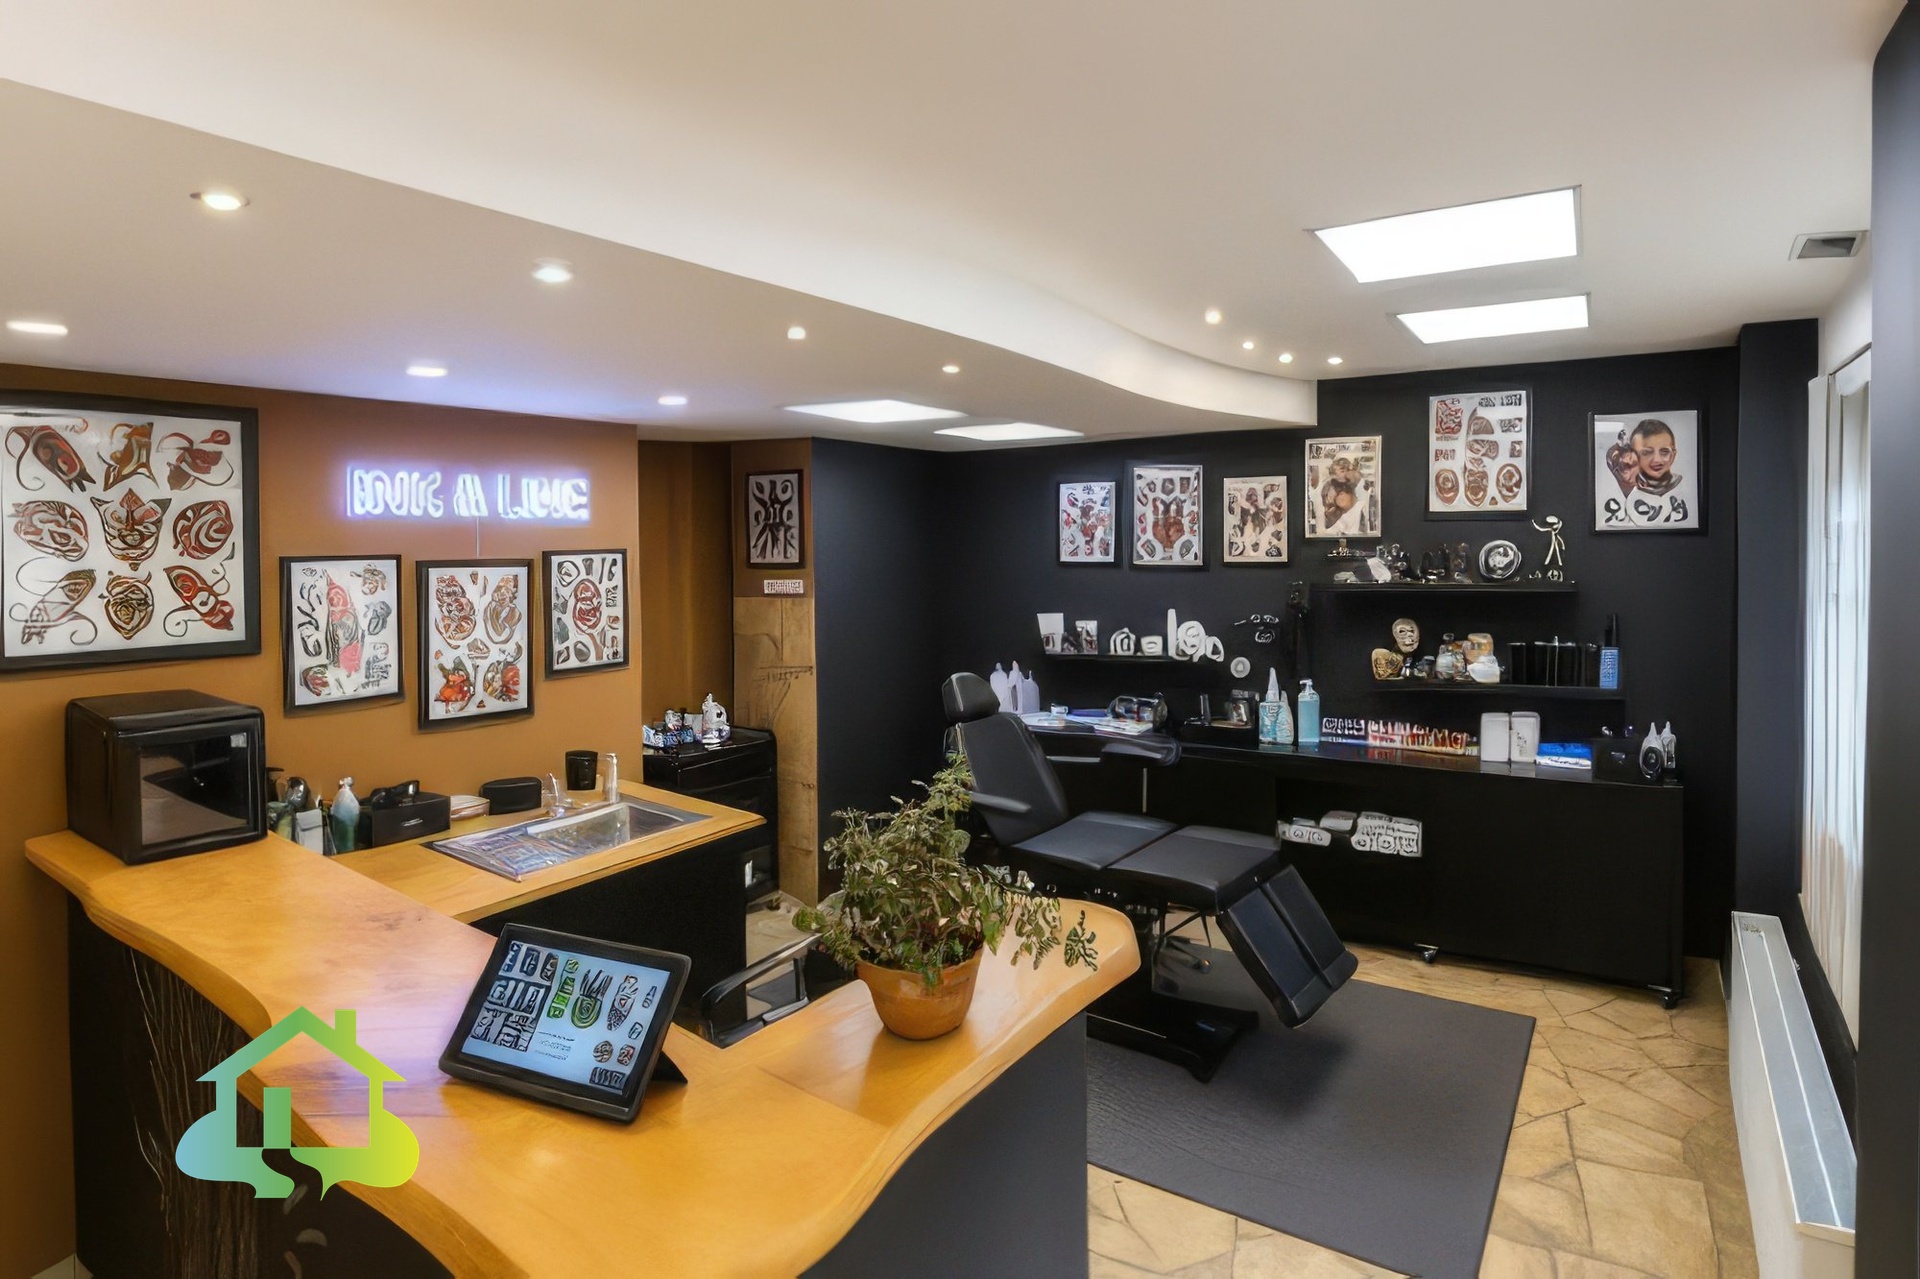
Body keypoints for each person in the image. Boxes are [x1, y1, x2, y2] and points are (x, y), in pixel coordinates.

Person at [1629, 419, 1682, 495]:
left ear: (1673, 455)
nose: (1657, 460)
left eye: (1664, 452)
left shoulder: (1682, 487)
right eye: (1646, 453)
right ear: (1633, 456)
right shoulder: (1629, 492)